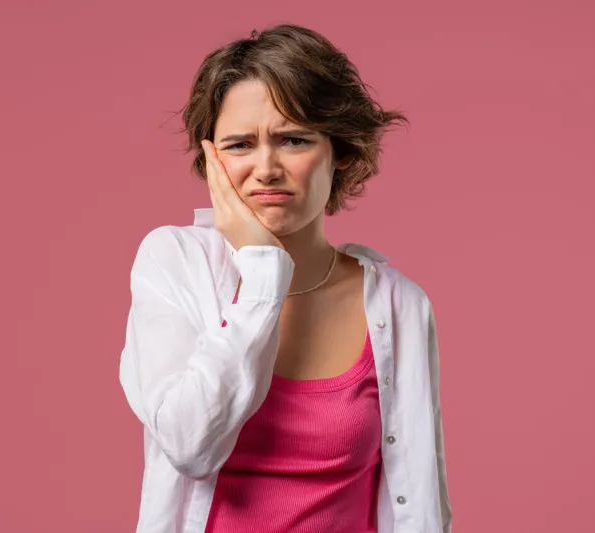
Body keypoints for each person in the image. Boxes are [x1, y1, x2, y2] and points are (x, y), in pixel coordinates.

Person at [119, 23, 453, 533]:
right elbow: (189, 445)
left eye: (293, 139)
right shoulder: (173, 263)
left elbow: (422, 506)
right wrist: (260, 273)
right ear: (211, 159)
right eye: (238, 145)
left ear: (340, 151)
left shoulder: (398, 305)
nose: (266, 168)